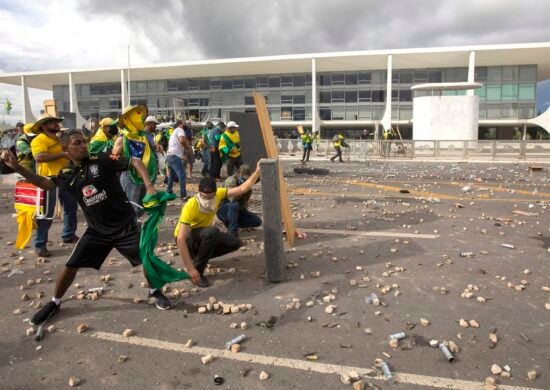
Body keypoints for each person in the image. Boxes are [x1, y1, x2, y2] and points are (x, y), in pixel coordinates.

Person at [3, 130, 176, 326]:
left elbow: (135, 162)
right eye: (77, 143)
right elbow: (44, 183)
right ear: (65, 148)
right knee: (70, 266)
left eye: (84, 142)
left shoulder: (101, 159)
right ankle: (55, 302)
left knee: (146, 258)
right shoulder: (66, 174)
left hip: (124, 226)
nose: (83, 145)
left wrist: (149, 185)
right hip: (97, 231)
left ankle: (154, 291)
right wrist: (17, 166)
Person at [175, 167, 260, 288]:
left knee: (234, 242)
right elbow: (180, 239)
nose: (207, 200)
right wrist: (190, 269)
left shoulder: (219, 193)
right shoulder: (191, 206)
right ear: (199, 193)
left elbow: (242, 188)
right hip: (188, 239)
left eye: (210, 197)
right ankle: (197, 272)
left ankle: (199, 257)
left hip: (203, 235)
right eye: (204, 197)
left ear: (215, 193)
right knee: (212, 232)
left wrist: (257, 171)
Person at [30, 114, 79, 257]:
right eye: (53, 123)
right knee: (46, 214)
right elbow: (39, 157)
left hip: (65, 177)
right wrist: (63, 155)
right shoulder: (39, 140)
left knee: (71, 208)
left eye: (57, 122)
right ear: (44, 126)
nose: (57, 125)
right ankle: (40, 244)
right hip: (47, 181)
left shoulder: (59, 139)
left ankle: (69, 234)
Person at [113, 105, 158, 217]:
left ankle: (134, 223)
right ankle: (129, 228)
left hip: (145, 174)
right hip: (130, 175)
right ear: (128, 119)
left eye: (140, 116)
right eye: (136, 116)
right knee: (130, 205)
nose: (140, 118)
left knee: (143, 204)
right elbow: (113, 157)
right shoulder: (123, 138)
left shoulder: (142, 136)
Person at [216, 164, 262, 238]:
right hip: (224, 209)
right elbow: (232, 199)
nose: (246, 181)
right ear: (238, 174)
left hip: (238, 210)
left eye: (247, 179)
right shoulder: (231, 181)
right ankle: (232, 233)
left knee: (257, 221)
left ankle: (233, 224)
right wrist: (243, 188)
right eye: (244, 178)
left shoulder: (246, 180)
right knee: (234, 205)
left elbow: (256, 178)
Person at [165, 120, 191, 199]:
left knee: (171, 176)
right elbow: (182, 140)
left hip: (169, 155)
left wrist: (182, 154)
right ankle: (183, 195)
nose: (185, 124)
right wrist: (187, 148)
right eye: (184, 123)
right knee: (182, 175)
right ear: (180, 124)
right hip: (174, 156)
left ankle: (169, 192)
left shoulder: (173, 132)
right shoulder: (180, 129)